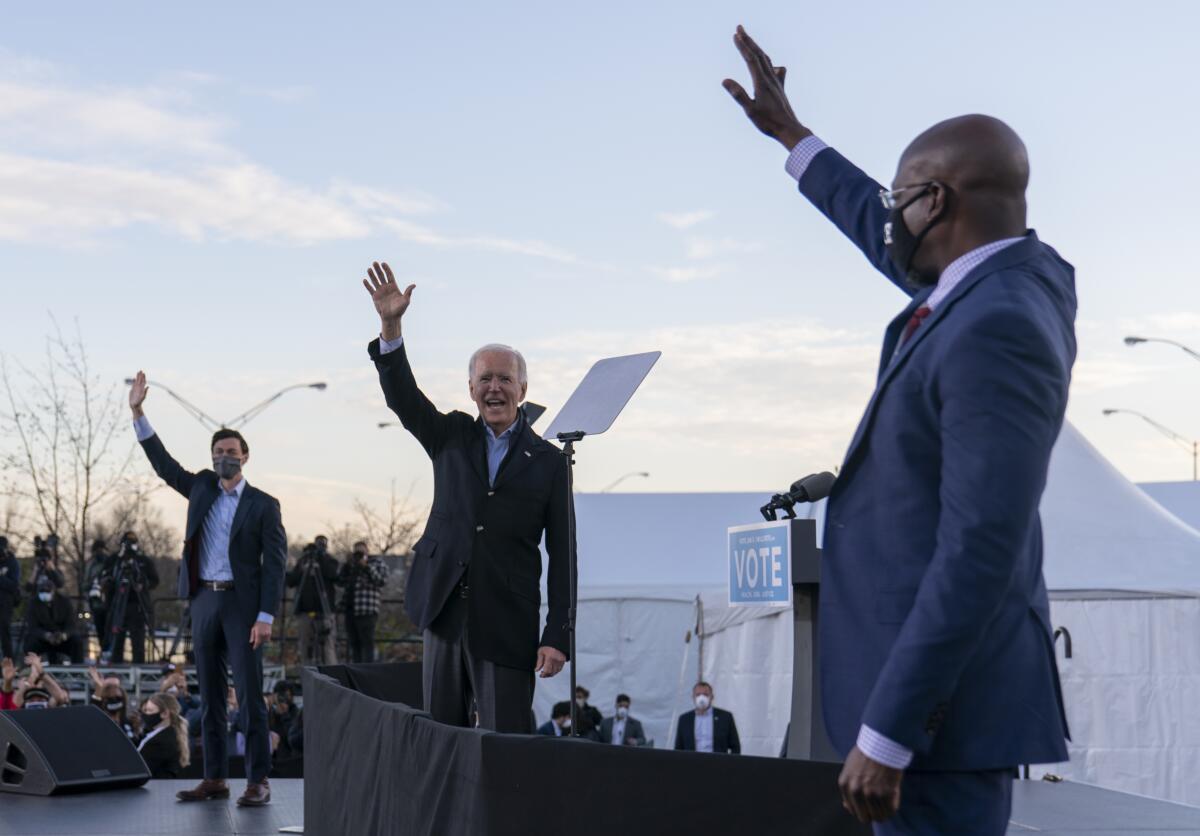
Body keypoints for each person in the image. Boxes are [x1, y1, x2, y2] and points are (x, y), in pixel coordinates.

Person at [723, 27, 1073, 834]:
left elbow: (979, 549)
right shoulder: (1011, 281)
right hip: (932, 729)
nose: (889, 217)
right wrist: (792, 137)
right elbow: (889, 240)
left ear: (938, 203)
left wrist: (889, 734)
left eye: (899, 199)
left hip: (933, 737)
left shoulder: (996, 327)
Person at [360, 262, 571, 733]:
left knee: (505, 745)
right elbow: (403, 398)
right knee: (441, 740)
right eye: (485, 379)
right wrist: (391, 327)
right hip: (444, 612)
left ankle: (506, 811)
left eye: (504, 379)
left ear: (523, 388)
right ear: (471, 388)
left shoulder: (551, 462)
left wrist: (557, 634)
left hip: (508, 623)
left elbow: (564, 556)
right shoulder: (450, 434)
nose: (494, 387)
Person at [128, 371, 288, 807]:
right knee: (211, 697)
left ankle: (258, 781)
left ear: (245, 457)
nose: (224, 458)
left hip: (243, 605)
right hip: (203, 602)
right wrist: (138, 411)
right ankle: (214, 778)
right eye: (218, 453)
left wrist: (266, 616)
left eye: (231, 452)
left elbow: (275, 565)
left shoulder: (263, 505)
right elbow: (163, 464)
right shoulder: (200, 487)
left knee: (251, 696)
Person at [102, 531, 160, 664]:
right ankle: (115, 672)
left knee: (138, 642)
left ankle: (138, 670)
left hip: (137, 605)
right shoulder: (114, 560)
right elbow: (104, 578)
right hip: (117, 605)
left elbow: (154, 580)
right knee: (117, 641)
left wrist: (143, 585)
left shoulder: (143, 561)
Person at [286, 539, 340, 666]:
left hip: (325, 611)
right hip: (305, 610)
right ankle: (307, 674)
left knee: (327, 645)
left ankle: (332, 675)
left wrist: (322, 558)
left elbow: (334, 576)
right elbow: (291, 581)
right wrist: (302, 568)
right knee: (305, 645)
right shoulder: (303, 562)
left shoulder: (330, 561)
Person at [338, 540, 389, 663]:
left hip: (367, 610)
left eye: (361, 551)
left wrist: (366, 566)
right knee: (354, 644)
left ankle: (367, 672)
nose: (359, 555)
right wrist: (347, 565)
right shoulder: (351, 565)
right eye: (356, 552)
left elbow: (381, 580)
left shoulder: (377, 562)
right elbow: (340, 581)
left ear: (367, 550)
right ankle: (356, 671)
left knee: (367, 643)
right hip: (350, 610)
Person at [26, 576, 84, 663]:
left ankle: (78, 671)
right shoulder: (34, 603)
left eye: (47, 591)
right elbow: (32, 627)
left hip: (62, 638)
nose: (44, 594)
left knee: (77, 641)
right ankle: (31, 670)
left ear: (53, 591)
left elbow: (71, 624)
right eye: (42, 591)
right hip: (43, 638)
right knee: (30, 643)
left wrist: (64, 635)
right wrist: (46, 635)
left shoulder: (64, 602)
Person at [675, 682, 740, 754]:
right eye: (698, 695)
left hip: (718, 763)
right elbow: (678, 748)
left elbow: (735, 747)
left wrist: (730, 764)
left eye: (705, 694)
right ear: (693, 697)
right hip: (692, 763)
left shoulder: (725, 717)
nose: (701, 698)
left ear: (712, 697)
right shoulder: (684, 719)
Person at [138, 693, 190, 779]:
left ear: (165, 714)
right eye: (145, 710)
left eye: (150, 711)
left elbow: (141, 769)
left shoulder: (160, 741)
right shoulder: (169, 734)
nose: (145, 714)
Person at [84, 538, 112, 646]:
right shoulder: (91, 565)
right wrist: (93, 585)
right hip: (96, 603)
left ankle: (111, 653)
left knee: (111, 630)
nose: (100, 553)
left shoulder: (111, 563)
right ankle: (104, 651)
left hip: (110, 603)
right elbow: (85, 584)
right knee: (101, 630)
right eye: (98, 550)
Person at [268, 680, 301, 761]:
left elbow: (292, 739)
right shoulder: (270, 713)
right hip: (273, 759)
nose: (284, 699)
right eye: (281, 696)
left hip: (289, 760)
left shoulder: (296, 713)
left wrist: (284, 715)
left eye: (287, 696)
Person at [0, 538, 20, 660]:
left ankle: (9, 664)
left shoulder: (12, 562)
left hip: (5, 603)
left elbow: (14, 585)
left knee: (5, 634)